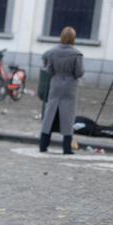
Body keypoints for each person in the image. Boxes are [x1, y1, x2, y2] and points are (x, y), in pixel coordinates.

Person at [39, 26, 84, 154]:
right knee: (68, 116)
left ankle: (43, 145)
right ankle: (66, 147)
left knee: (50, 114)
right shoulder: (77, 53)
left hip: (55, 83)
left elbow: (49, 69)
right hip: (70, 85)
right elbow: (79, 72)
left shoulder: (52, 52)